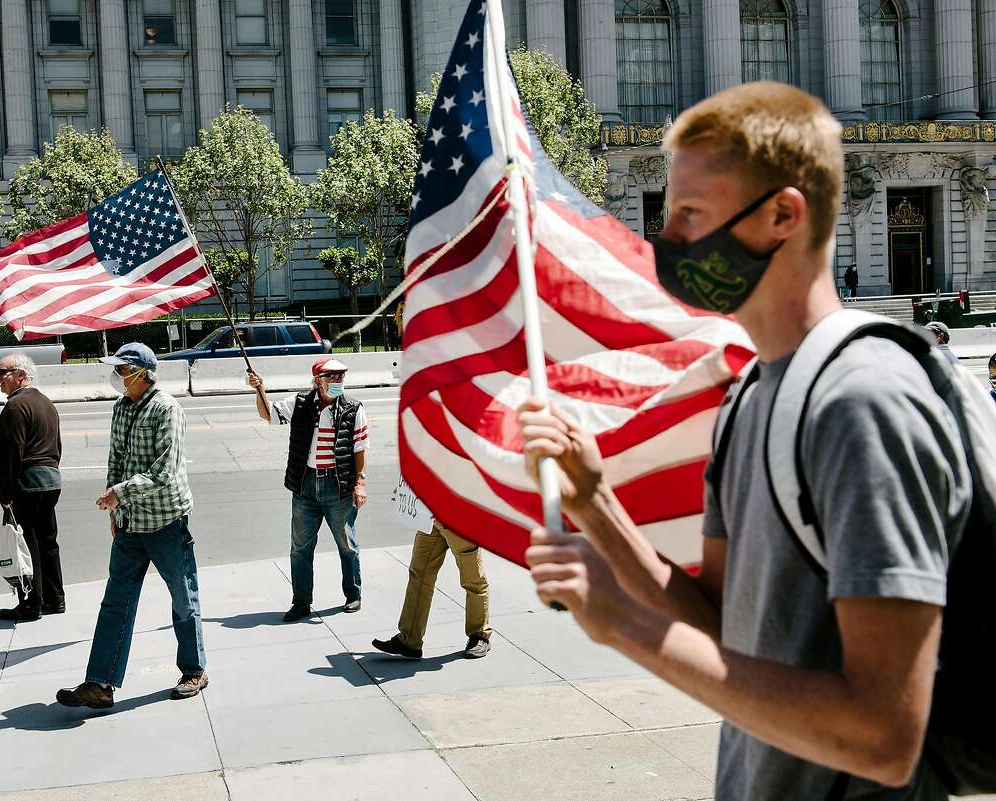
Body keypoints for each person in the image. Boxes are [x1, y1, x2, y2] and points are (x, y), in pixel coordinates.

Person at [518, 82, 969, 800]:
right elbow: (727, 626)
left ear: (783, 215)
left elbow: (884, 736)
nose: (667, 242)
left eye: (691, 215)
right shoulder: (751, 397)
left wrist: (630, 629)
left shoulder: (862, 402)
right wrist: (597, 505)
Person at [56, 343, 208, 709]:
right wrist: (115, 509)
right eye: (118, 370)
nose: (119, 376)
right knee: (116, 602)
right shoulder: (122, 408)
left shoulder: (166, 408)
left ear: (143, 373)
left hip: (165, 522)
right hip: (129, 524)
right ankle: (100, 683)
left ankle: (194, 670)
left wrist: (120, 494)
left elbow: (164, 471)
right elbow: (116, 461)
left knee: (183, 599)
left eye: (124, 370)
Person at [248, 357, 368, 622]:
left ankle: (353, 594)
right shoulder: (300, 404)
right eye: (332, 377)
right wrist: (260, 389)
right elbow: (268, 415)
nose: (338, 382)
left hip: (338, 486)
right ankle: (301, 601)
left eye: (341, 377)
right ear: (318, 381)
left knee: (347, 544)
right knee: (300, 548)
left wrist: (359, 482)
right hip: (306, 485)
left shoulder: (353, 408)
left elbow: (359, 448)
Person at [0, 354, 64, 622]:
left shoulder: (16, 406)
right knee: (47, 542)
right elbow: (57, 447)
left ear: (20, 375)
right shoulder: (45, 403)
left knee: (26, 544)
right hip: (50, 481)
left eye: (3, 372)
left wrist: (5, 492)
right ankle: (54, 599)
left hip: (27, 483)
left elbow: (11, 453)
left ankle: (31, 603)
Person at [372, 514, 493, 660]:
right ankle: (410, 640)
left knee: (473, 580)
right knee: (419, 576)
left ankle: (479, 635)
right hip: (429, 521)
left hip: (459, 521)